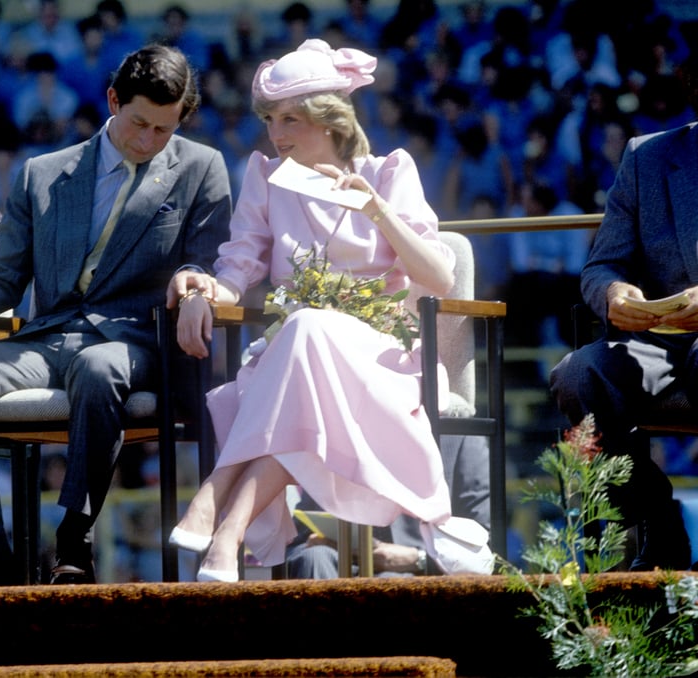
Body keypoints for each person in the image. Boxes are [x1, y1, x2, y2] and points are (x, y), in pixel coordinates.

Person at [166, 39, 493, 582]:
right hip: (294, 365)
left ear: (332, 119)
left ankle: (217, 502)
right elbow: (236, 270)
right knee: (304, 339)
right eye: (270, 119)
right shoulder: (265, 178)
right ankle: (226, 534)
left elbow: (438, 276)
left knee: (305, 331)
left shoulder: (388, 172)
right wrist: (199, 289)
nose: (277, 133)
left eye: (291, 119)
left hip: (385, 363)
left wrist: (378, 211)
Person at [0, 44, 232, 587]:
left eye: (164, 129)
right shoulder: (42, 173)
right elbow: (4, 278)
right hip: (47, 338)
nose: (150, 140)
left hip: (135, 343)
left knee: (98, 368)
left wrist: (196, 281)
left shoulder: (201, 167)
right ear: (112, 100)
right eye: (140, 124)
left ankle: (74, 540)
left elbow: (210, 261)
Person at [548, 68, 698, 571]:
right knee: (576, 375)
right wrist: (614, 293)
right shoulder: (646, 156)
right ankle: (658, 518)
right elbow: (602, 264)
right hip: (658, 339)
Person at [287, 434, 491, 578]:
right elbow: (298, 539)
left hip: (419, 568)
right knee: (313, 557)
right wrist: (321, 543)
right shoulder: (338, 431)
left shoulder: (460, 437)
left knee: (392, 579)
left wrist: (418, 559)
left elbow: (485, 552)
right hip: (339, 562)